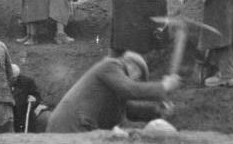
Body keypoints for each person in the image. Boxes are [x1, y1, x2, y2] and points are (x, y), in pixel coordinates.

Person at [46, 51, 180, 133]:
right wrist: (164, 86)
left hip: (78, 126)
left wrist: (157, 110)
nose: (138, 82)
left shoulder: (115, 84)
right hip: (70, 126)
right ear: (133, 67)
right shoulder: (110, 65)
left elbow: (129, 109)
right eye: (139, 78)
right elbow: (130, 89)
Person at [10, 64, 50, 133]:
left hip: (24, 113)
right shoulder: (3, 83)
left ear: (18, 75)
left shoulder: (28, 82)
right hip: (11, 113)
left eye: (15, 78)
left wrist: (33, 99)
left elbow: (37, 96)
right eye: (11, 78)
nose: (13, 80)